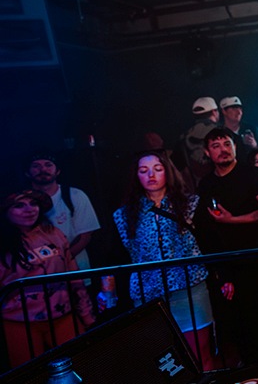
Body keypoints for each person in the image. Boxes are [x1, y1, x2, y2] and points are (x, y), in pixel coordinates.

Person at [112, 151, 218, 370]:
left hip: (189, 288)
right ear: (136, 176)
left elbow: (211, 243)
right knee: (163, 361)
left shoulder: (191, 205)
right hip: (148, 294)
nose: (151, 175)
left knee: (200, 353)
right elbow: (116, 256)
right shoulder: (123, 215)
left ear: (168, 172)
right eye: (144, 171)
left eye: (157, 169)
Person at [195, 128, 258, 365]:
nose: (223, 149)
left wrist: (232, 220)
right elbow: (205, 226)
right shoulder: (206, 184)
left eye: (227, 143)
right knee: (230, 320)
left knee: (255, 315)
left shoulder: (253, 175)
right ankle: (245, 373)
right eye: (216, 145)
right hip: (222, 261)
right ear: (207, 152)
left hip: (252, 256)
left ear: (235, 146)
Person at [1, 190, 95, 368]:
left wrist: (86, 314)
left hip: (62, 315)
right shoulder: (4, 244)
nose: (29, 209)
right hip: (20, 322)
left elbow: (73, 275)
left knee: (82, 363)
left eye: (33, 204)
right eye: (19, 205)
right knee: (30, 375)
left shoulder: (53, 233)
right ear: (6, 211)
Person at [25, 153, 101, 276]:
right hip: (35, 273)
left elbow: (85, 236)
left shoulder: (74, 195)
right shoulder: (21, 202)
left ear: (58, 171)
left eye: (48, 165)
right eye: (36, 166)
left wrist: (59, 262)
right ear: (27, 172)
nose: (43, 169)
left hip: (75, 270)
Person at [174, 96, 220, 187]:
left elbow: (177, 164)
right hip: (222, 186)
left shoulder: (183, 136)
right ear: (214, 112)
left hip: (196, 189)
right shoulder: (222, 132)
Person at [219, 96, 258, 161]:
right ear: (224, 111)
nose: (239, 112)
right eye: (234, 108)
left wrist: (255, 145)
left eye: (240, 109)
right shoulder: (219, 132)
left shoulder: (252, 129)